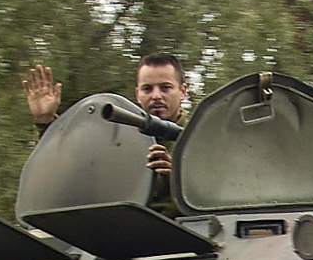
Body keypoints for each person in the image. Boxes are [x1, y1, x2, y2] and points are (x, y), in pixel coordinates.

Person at [23, 52, 189, 183]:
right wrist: (45, 121)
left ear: (182, 91)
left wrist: (177, 180)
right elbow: (67, 174)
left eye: (165, 88)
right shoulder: (117, 138)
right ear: (137, 94)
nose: (156, 96)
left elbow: (211, 197)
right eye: (147, 89)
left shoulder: (200, 143)